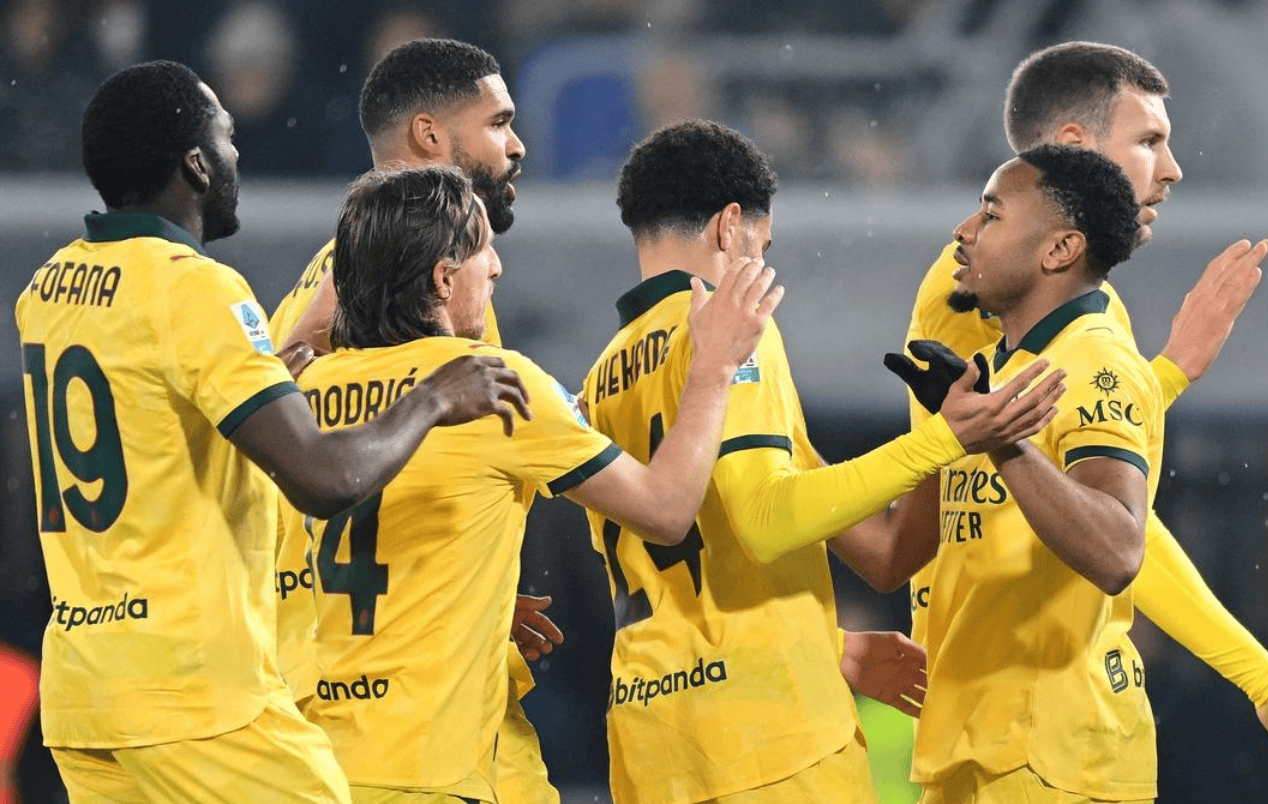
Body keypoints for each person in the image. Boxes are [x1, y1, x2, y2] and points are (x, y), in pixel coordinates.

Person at [14, 60, 529, 804]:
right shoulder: (196, 288)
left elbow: (147, 433)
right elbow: (326, 480)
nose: (236, 155)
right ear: (196, 165)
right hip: (197, 692)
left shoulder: (48, 290)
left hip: (86, 695)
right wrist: (431, 398)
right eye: (225, 138)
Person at [885, 41, 1268, 804]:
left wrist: (1160, 379)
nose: (1172, 170)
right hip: (1024, 721)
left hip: (1024, 728)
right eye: (1149, 141)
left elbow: (1094, 508)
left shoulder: (1071, 304)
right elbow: (1088, 519)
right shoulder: (982, 295)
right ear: (1075, 146)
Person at [583, 119, 1065, 804]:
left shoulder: (599, 379)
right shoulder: (731, 333)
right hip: (770, 745)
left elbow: (889, 553)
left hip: (653, 748)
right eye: (763, 245)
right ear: (730, 227)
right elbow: (765, 522)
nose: (763, 264)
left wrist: (829, 644)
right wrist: (944, 441)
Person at [284, 163, 781, 803]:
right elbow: (665, 509)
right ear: (443, 278)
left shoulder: (303, 390)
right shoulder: (488, 384)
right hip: (428, 774)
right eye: (483, 250)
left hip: (318, 767)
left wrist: (479, 592)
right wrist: (714, 367)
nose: (495, 267)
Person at [263, 39, 562, 804]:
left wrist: (463, 580)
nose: (517, 146)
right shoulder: (390, 289)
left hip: (375, 699)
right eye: (498, 123)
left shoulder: (355, 276)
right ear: (430, 136)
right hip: (414, 727)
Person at [914, 142, 1157, 802]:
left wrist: (1003, 442)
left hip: (1055, 757)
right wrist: (782, 449)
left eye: (991, 215)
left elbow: (1118, 549)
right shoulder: (994, 377)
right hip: (970, 749)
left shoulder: (1096, 363)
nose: (965, 230)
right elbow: (895, 553)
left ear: (1059, 250)